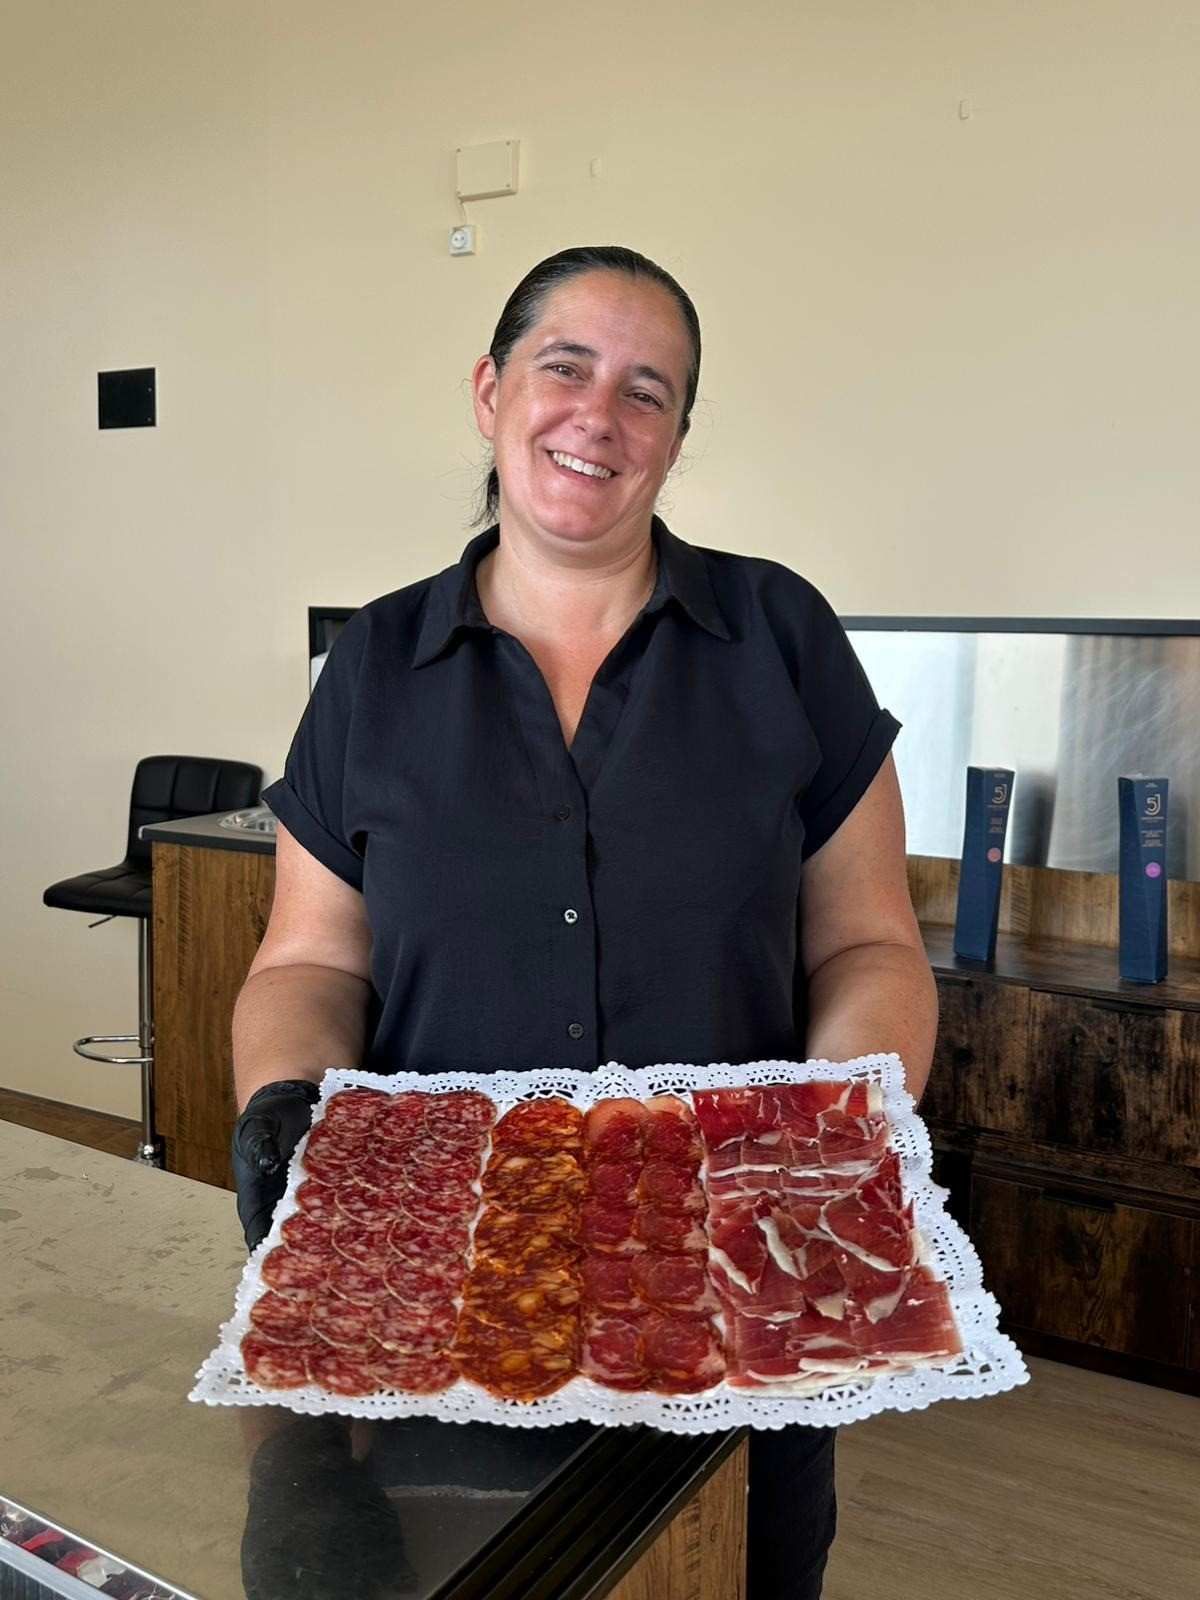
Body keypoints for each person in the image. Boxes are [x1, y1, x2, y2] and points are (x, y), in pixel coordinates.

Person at [231, 244, 939, 1598]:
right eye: (567, 367)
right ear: (492, 391)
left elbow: (868, 944)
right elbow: (309, 960)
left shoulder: (781, 637)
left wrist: (840, 1118)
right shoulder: (374, 667)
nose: (599, 416)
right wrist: (284, 1103)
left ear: (675, 438)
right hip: (440, 1300)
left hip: (732, 1303)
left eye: (648, 390)